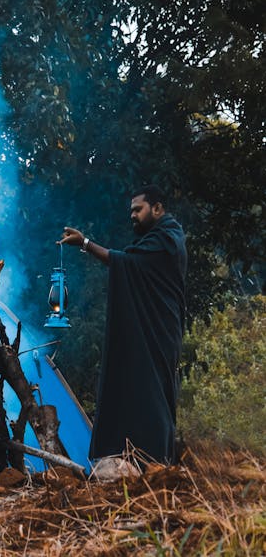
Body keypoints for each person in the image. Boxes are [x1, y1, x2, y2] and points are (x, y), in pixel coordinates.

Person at [59, 185, 187, 470]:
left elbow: (124, 262)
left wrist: (85, 242)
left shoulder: (167, 239)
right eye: (130, 211)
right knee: (139, 389)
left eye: (137, 210)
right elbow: (130, 263)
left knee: (153, 393)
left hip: (160, 331)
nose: (132, 215)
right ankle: (136, 456)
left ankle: (156, 462)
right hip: (153, 329)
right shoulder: (158, 239)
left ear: (157, 208)